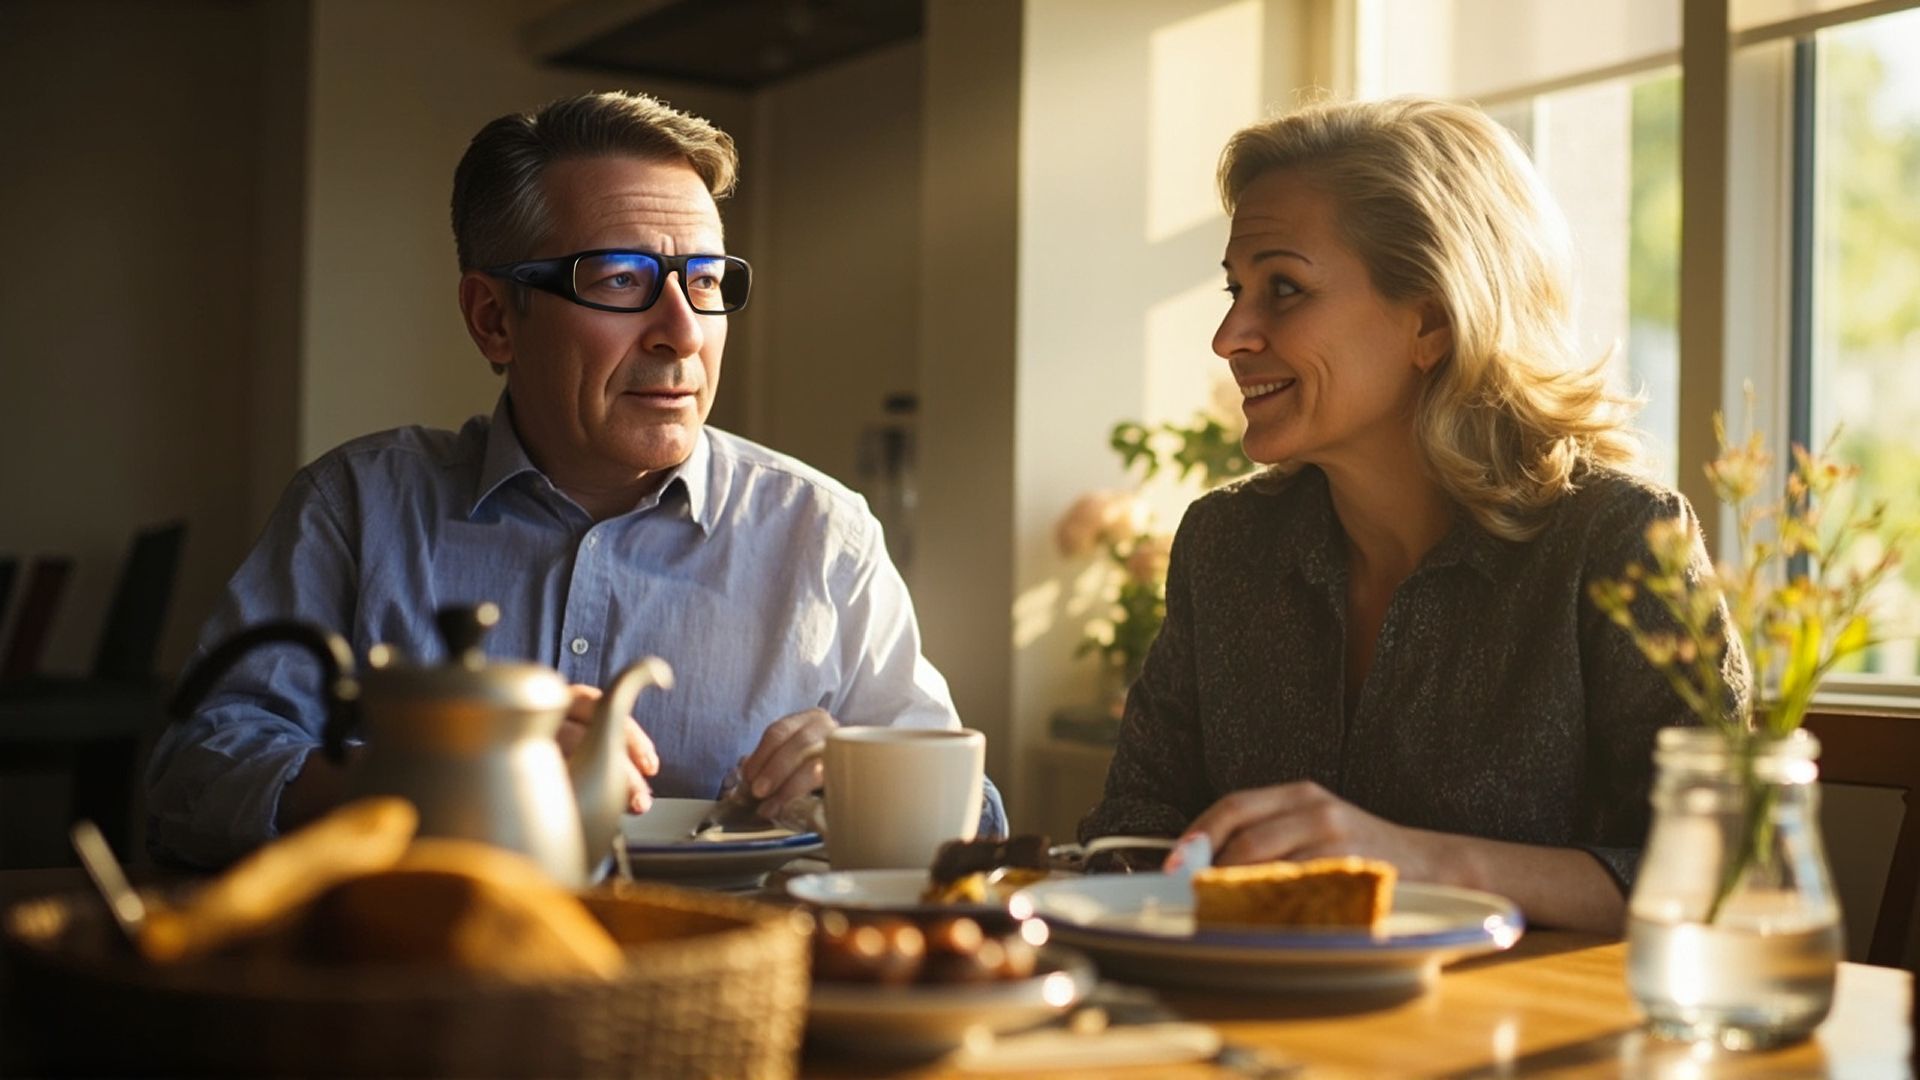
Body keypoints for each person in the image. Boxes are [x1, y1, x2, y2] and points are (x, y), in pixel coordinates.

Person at [147, 90, 1005, 867]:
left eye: (704, 283)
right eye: (622, 280)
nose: (682, 332)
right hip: (418, 985)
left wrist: (868, 785)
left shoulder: (821, 532)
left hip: (734, 992)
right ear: (494, 319)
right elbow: (194, 772)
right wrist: (437, 776)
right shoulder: (359, 508)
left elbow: (981, 823)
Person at [1076, 98, 1745, 933]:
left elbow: (1725, 877)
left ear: (1431, 319)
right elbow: (1132, 830)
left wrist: (1417, 860)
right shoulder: (1225, 544)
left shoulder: (1616, 542)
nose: (1230, 335)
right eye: (1235, 289)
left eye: (1283, 288)